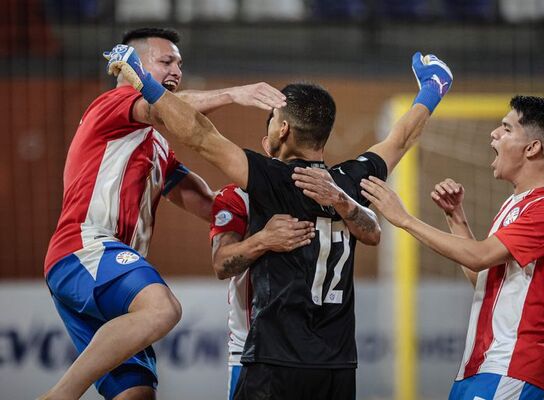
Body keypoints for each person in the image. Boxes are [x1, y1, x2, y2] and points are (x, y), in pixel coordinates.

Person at [105, 43, 452, 399]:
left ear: (283, 129)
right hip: (338, 365)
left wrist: (145, 81)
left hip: (277, 359)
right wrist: (432, 88)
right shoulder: (352, 180)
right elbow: (402, 137)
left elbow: (198, 134)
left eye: (271, 120)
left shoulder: (271, 180)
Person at [41, 27, 287, 400]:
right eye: (166, 61)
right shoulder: (113, 103)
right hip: (85, 248)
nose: (176, 70)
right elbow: (166, 110)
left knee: (137, 394)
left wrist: (270, 204)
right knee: (162, 309)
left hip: (109, 272)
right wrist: (234, 94)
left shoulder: (154, 145)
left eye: (180, 64)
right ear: (132, 66)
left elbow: (206, 201)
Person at [360, 95, 544, 399]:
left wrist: (405, 219)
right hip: (479, 366)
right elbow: (484, 278)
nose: (494, 134)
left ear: (532, 148)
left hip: (511, 366)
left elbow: (480, 257)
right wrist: (456, 220)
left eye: (506, 128)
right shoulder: (516, 202)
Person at [210, 142, 382, 400]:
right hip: (252, 347)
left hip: (318, 351)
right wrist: (263, 240)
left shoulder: (328, 189)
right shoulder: (238, 195)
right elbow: (221, 264)